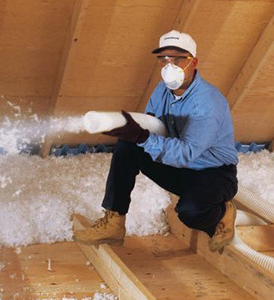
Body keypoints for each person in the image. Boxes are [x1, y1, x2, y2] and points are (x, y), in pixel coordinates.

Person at [73, 30, 239, 252]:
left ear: (194, 62)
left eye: (178, 59)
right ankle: (114, 222)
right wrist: (133, 132)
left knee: (190, 212)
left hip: (214, 173)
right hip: (181, 169)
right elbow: (153, 126)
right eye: (164, 60)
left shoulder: (207, 103)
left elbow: (186, 154)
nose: (169, 66)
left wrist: (142, 137)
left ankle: (222, 214)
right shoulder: (162, 90)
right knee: (127, 146)